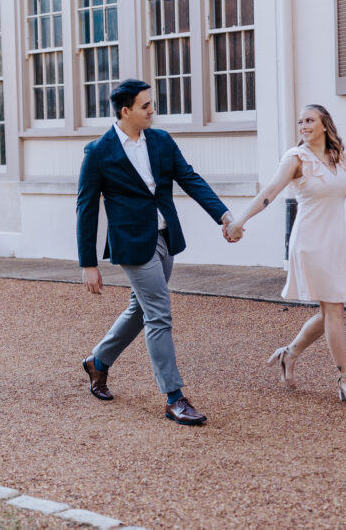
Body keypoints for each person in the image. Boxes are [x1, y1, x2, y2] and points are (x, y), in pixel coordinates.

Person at [77, 79, 238, 425]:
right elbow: (86, 208)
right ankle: (174, 397)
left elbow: (190, 179)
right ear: (126, 111)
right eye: (145, 106)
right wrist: (88, 263)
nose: (153, 111)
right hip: (132, 244)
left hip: (166, 237)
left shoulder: (161, 141)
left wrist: (223, 215)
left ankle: (98, 362)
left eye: (151, 104)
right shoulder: (99, 152)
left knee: (142, 308)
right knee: (159, 314)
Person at [225, 105, 346, 407]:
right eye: (300, 121)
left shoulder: (338, 156)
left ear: (324, 125)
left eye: (310, 120)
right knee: (334, 310)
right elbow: (271, 191)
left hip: (335, 242)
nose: (303, 125)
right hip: (310, 242)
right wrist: (240, 221)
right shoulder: (295, 158)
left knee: (332, 309)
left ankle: (289, 354)